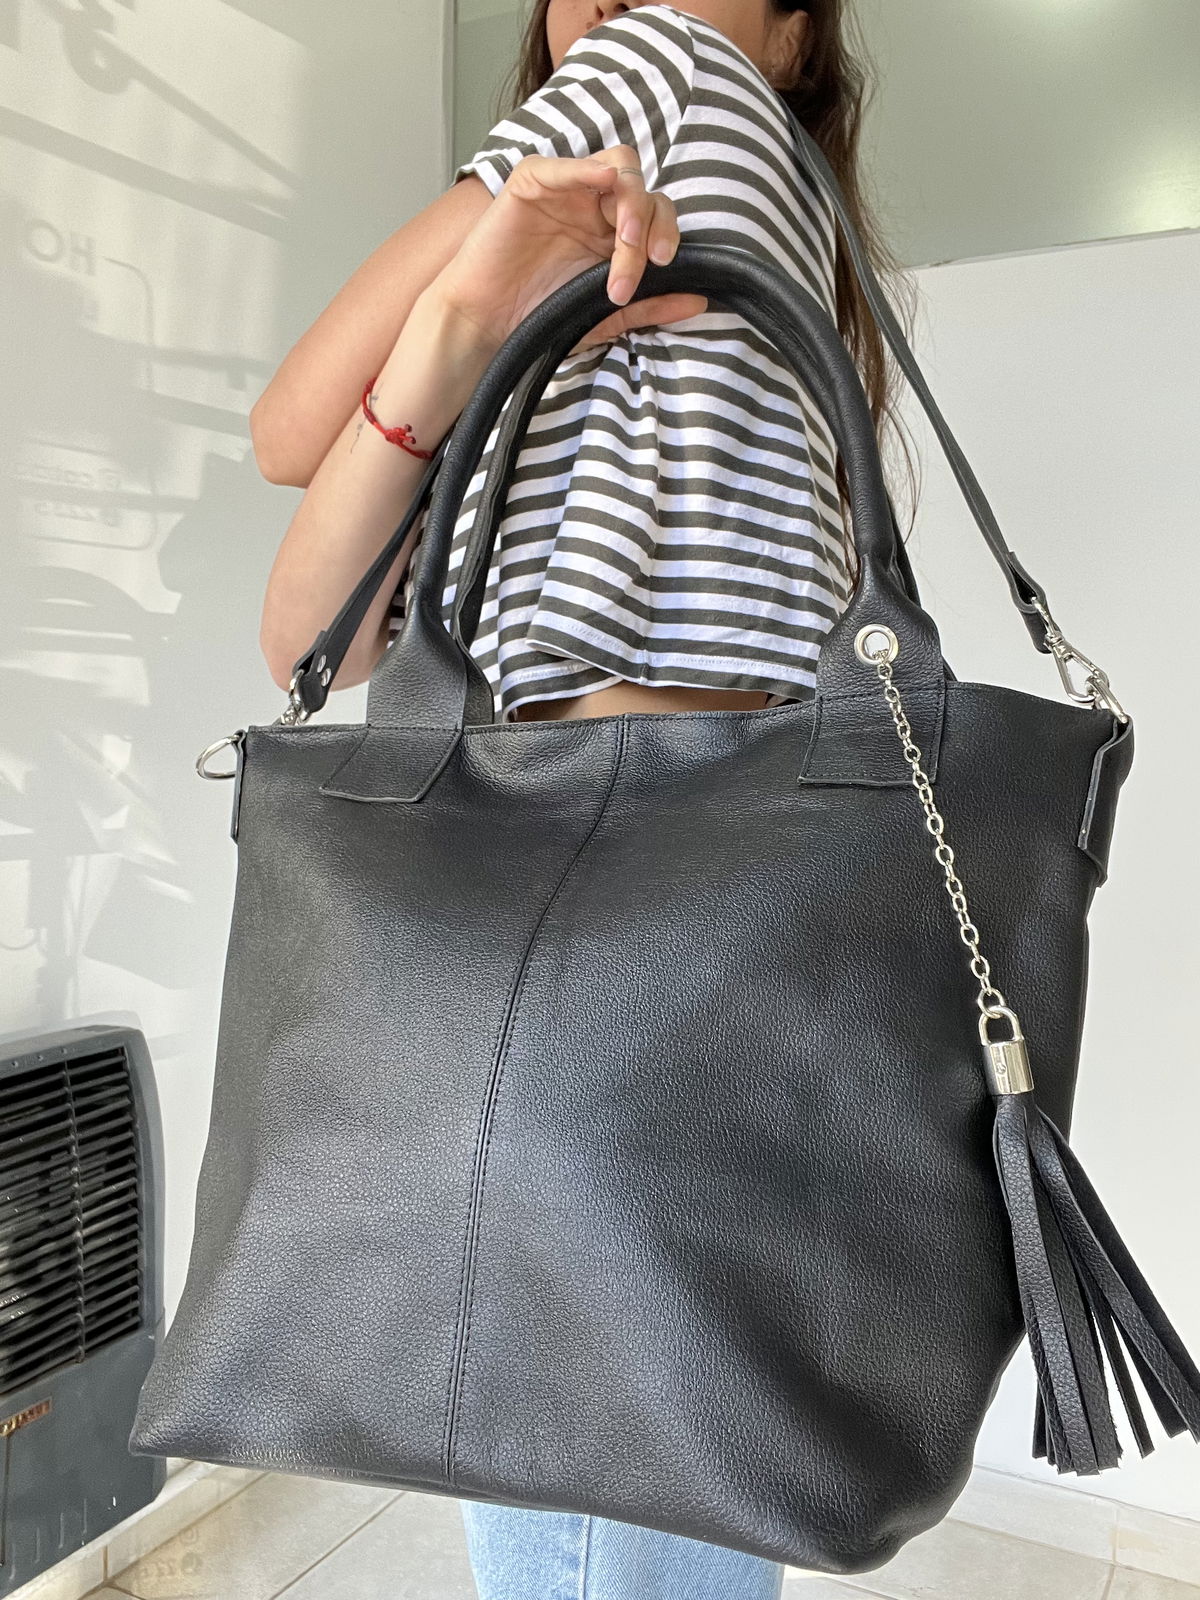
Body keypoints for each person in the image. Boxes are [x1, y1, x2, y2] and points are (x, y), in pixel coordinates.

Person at [251, 2, 914, 1593]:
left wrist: (465, 313)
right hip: (711, 902)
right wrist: (471, 331)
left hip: (559, 890)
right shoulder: (793, 247)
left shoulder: (656, 62)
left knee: (567, 1457)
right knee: (665, 1455)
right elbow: (321, 634)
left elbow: (283, 432)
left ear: (795, 32)